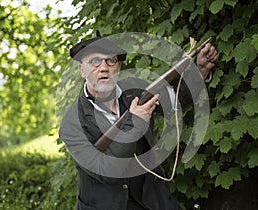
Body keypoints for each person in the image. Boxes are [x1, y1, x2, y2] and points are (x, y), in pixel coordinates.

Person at [59, 32, 218, 210]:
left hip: (153, 200)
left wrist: (200, 71)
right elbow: (107, 172)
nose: (104, 67)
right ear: (82, 70)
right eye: (95, 61)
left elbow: (176, 99)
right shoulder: (71, 125)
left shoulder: (135, 89)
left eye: (110, 61)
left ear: (118, 67)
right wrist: (134, 123)